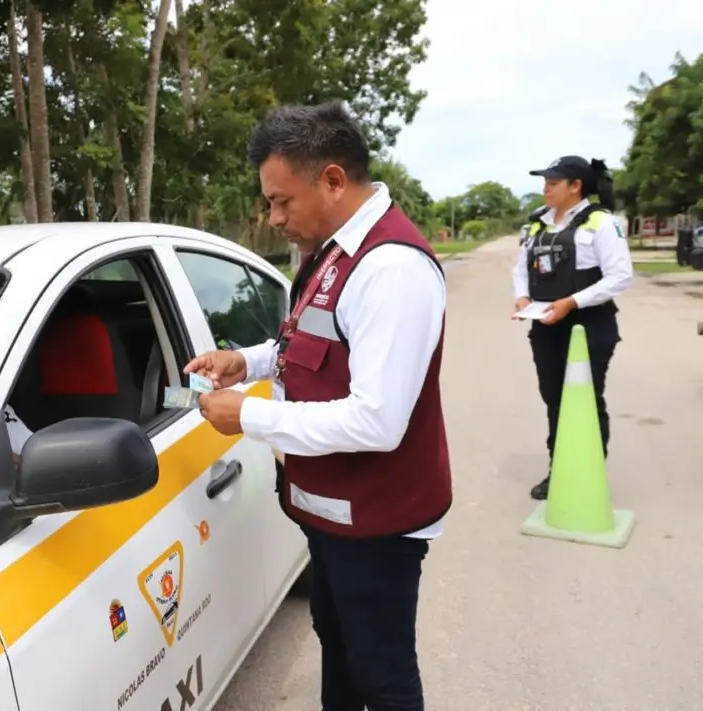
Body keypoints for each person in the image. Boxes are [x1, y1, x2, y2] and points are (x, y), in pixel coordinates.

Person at [187, 101, 451, 711]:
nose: (274, 217)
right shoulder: (333, 249)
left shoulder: (390, 269)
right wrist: (246, 362)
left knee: (382, 674)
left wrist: (247, 416)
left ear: (333, 179)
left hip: (378, 519)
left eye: (282, 201)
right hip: (333, 511)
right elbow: (308, 339)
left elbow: (377, 420)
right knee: (337, 637)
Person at [512, 155, 633, 500]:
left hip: (589, 328)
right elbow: (521, 269)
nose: (545, 188)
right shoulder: (537, 224)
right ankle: (559, 469)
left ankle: (590, 471)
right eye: (545, 182)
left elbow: (619, 276)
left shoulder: (601, 223)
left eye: (552, 182)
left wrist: (571, 302)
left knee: (584, 400)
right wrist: (522, 298)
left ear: (575, 186)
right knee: (554, 401)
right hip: (546, 325)